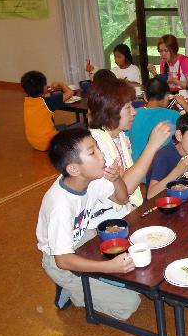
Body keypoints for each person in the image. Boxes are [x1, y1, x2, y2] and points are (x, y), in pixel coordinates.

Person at [36, 128, 140, 320]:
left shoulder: (91, 178)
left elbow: (122, 199)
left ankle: (88, 281)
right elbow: (62, 260)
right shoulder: (60, 204)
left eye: (98, 148)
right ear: (74, 169)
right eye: (93, 152)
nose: (102, 156)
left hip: (82, 239)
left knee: (133, 273)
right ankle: (72, 290)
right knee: (129, 303)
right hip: (59, 260)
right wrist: (109, 268)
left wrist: (116, 179)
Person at [87, 78, 171, 226]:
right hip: (103, 222)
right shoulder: (94, 144)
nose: (134, 112)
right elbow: (125, 190)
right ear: (110, 110)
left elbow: (128, 177)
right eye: (127, 107)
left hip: (123, 211)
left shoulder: (119, 136)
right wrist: (152, 145)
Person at [146, 112, 188, 199]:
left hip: (183, 198)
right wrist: (177, 172)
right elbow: (150, 195)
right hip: (161, 205)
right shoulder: (164, 155)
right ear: (179, 136)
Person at [126, 77, 181, 162]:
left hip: (135, 168)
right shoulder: (174, 115)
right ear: (167, 96)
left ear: (145, 97)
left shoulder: (132, 114)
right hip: (161, 169)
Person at [21, 70, 74, 151]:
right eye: (46, 85)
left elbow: (40, 94)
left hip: (34, 142)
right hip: (48, 143)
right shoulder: (47, 102)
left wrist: (50, 89)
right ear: (43, 88)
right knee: (80, 126)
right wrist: (60, 83)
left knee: (62, 126)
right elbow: (70, 92)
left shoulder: (27, 101)